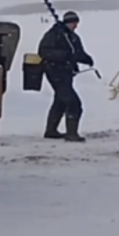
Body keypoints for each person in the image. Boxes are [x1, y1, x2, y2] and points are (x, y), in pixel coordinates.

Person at [38, 11, 94, 142]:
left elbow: (77, 53)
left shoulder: (72, 37)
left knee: (60, 102)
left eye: (77, 23)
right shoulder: (54, 35)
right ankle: (71, 134)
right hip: (55, 72)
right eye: (74, 23)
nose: (76, 26)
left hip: (67, 74)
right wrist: (64, 56)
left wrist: (87, 59)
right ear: (68, 22)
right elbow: (44, 52)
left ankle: (51, 131)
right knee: (73, 103)